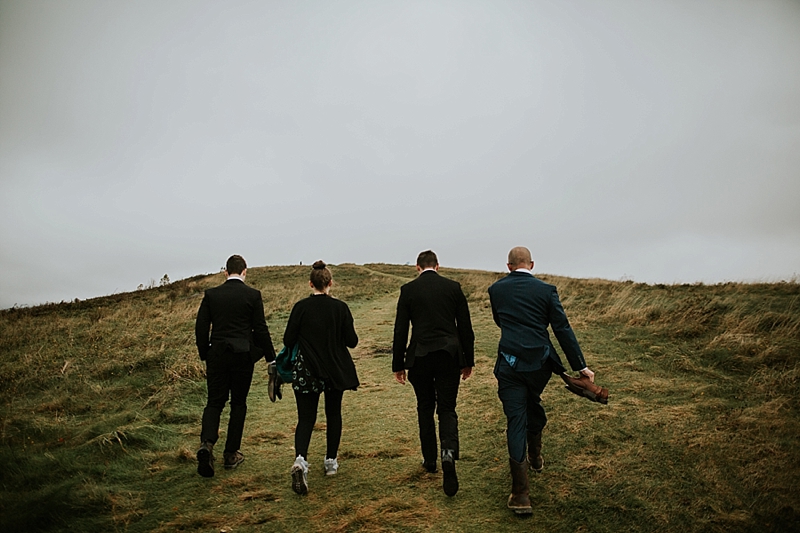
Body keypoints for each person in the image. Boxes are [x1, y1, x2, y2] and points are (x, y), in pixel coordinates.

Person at [488, 246, 598, 515]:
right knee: (531, 401)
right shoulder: (546, 290)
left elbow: (499, 321)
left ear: (509, 266)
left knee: (516, 418)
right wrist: (580, 367)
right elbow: (561, 328)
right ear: (532, 264)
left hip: (509, 363)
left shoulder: (496, 290)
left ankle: (520, 495)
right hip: (539, 365)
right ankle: (535, 454)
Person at [392, 250, 475, 497]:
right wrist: (468, 360)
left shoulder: (408, 290)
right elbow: (466, 328)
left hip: (420, 358)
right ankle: (448, 452)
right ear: (438, 266)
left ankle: (430, 460)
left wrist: (398, 364)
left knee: (425, 407)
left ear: (417, 267)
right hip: (449, 356)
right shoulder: (453, 287)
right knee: (447, 408)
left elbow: (400, 330)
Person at [195, 254, 276, 477]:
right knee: (238, 404)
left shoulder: (212, 295)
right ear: (244, 271)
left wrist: (206, 353)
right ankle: (231, 454)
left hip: (217, 355)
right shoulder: (252, 295)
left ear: (225, 272)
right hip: (242, 357)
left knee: (214, 402)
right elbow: (260, 328)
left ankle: (207, 444)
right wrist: (271, 357)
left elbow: (201, 326)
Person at [283, 261, 359, 495]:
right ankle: (330, 462)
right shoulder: (341, 308)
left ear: (310, 283)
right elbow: (352, 341)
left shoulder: (300, 307)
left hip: (307, 370)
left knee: (305, 418)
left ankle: (301, 460)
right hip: (335, 369)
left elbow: (287, 340)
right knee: (333, 413)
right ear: (330, 283)